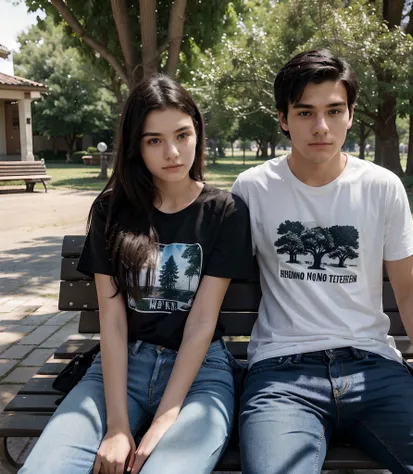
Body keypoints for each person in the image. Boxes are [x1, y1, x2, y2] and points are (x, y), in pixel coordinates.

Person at [232, 49, 413, 474]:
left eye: (333, 111)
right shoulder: (253, 188)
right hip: (283, 375)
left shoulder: (381, 186)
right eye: (305, 112)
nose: (320, 127)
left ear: (350, 114)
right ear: (283, 118)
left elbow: (411, 289)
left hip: (374, 368)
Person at [19, 74, 253, 474]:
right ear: (135, 146)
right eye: (154, 140)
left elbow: (201, 322)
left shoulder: (225, 211)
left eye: (182, 134)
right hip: (120, 368)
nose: (172, 152)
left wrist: (165, 416)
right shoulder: (113, 210)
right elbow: (111, 321)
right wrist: (116, 426)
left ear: (197, 131)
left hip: (199, 373)